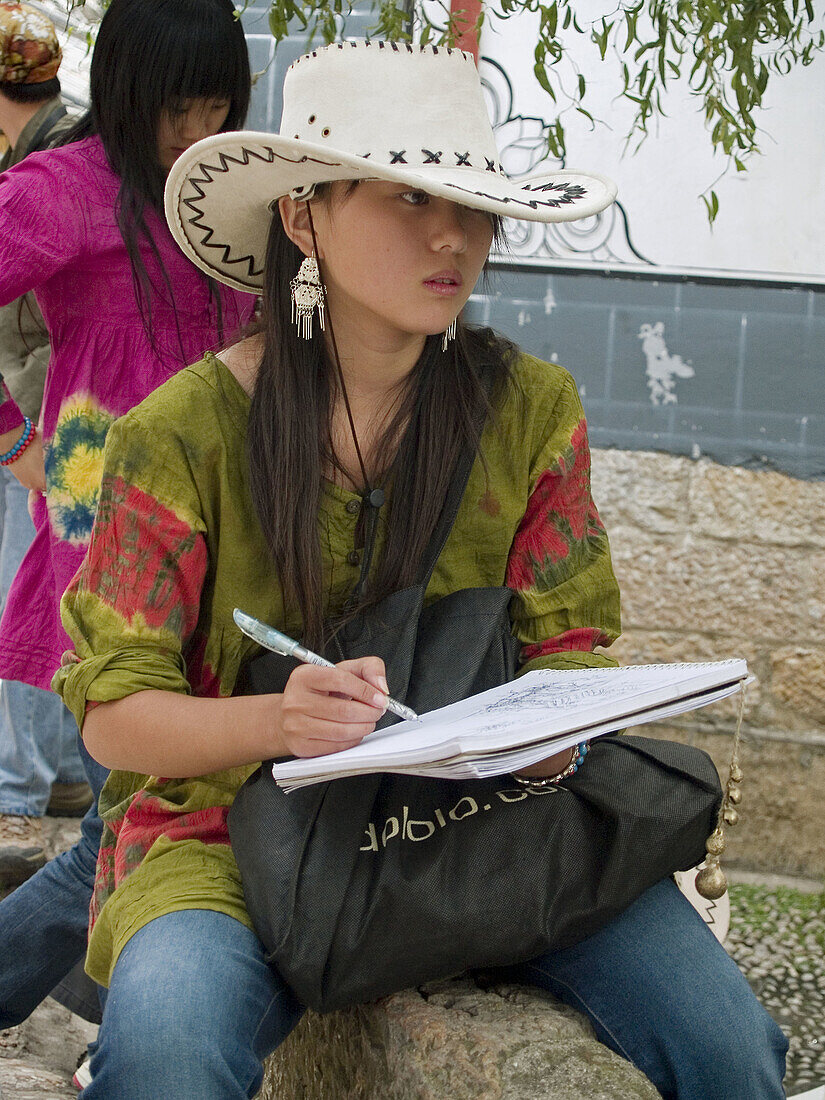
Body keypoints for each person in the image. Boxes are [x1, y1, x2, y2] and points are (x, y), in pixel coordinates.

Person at [54, 42, 787, 1099]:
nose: (455, 236)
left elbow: (570, 655)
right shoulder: (181, 436)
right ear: (302, 215)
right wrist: (281, 723)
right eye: (408, 197)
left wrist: (550, 745)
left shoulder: (531, 412)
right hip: (227, 835)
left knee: (731, 1047)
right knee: (167, 1050)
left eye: (476, 207)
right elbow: (114, 716)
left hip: (479, 827)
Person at [0, 0, 254, 1028]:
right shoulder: (59, 190)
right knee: (150, 813)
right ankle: (139, 1022)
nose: (197, 131)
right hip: (110, 548)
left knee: (152, 818)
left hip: (237, 543)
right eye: (174, 109)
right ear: (125, 95)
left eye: (216, 104)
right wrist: (17, 444)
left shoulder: (244, 192)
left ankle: (130, 1018)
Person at [0, 0, 92, 890]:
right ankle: (59, 777)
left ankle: (18, 793)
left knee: (31, 590)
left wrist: (12, 438)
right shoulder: (65, 145)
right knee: (62, 589)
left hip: (46, 427)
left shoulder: (46, 166)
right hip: (60, 421)